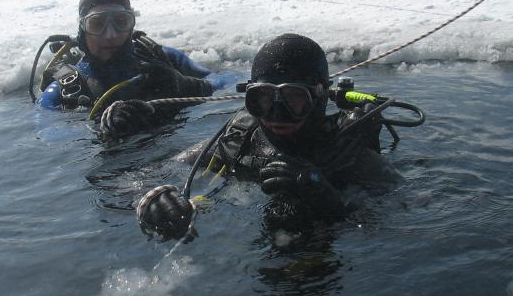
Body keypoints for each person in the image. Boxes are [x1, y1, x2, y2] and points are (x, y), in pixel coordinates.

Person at [137, 33, 398, 240]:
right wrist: (155, 199)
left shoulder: (350, 156)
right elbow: (154, 173)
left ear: (320, 97)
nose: (276, 114)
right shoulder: (239, 142)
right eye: (262, 99)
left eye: (294, 99)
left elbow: (405, 218)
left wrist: (327, 201)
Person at [37, 0, 228, 138]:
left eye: (120, 22)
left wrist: (186, 84)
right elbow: (47, 133)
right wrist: (100, 128)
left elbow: (228, 82)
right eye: (97, 24)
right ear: (82, 29)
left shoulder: (165, 59)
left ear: (132, 24)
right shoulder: (66, 89)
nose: (110, 35)